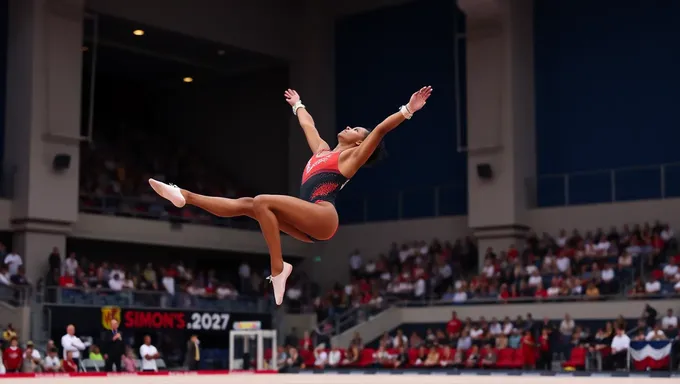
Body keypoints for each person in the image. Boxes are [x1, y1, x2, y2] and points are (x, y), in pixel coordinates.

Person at [149, 86, 433, 304]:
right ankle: (184, 196)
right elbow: (307, 124)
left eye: (355, 129)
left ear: (360, 141)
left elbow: (381, 129)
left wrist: (408, 108)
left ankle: (278, 268)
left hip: (323, 216)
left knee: (261, 201)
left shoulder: (353, 157)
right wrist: (298, 104)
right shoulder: (322, 151)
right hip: (306, 224)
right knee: (251, 206)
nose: (349, 127)